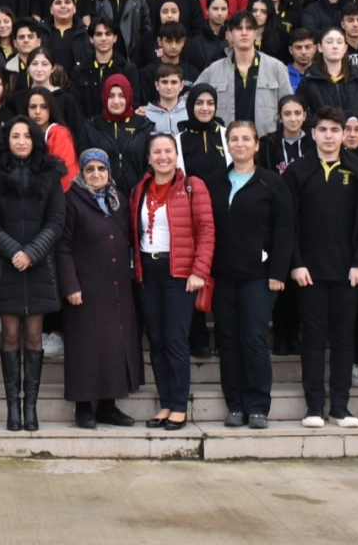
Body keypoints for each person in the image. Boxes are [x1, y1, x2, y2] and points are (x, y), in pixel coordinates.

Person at [0, 116, 67, 432]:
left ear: (35, 139)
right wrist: (15, 251)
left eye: (27, 136)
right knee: (11, 334)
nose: (22, 141)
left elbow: (56, 220)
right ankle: (13, 407)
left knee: (34, 335)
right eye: (15, 136)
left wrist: (32, 253)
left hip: (39, 266)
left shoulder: (50, 173)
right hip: (6, 266)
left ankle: (31, 408)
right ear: (6, 140)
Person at [285, 107, 358, 430]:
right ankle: (314, 406)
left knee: (343, 339)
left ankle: (340, 406)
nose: (329, 136)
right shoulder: (297, 171)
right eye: (323, 130)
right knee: (312, 338)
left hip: (347, 273)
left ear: (344, 134)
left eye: (335, 130)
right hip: (308, 273)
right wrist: (296, 263)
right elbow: (287, 223)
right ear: (313, 133)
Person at [208, 121, 293, 429]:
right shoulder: (215, 182)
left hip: (259, 275)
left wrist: (278, 271)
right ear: (227, 145)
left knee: (254, 338)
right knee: (228, 340)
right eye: (234, 139)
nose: (240, 144)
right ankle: (235, 405)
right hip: (222, 276)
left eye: (246, 138)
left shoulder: (272, 182)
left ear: (257, 145)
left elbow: (284, 230)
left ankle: (257, 406)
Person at [130, 132, 215, 432]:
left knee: (176, 340)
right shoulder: (140, 188)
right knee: (156, 341)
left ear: (177, 155)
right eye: (156, 152)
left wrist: (199, 270)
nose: (162, 156)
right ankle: (165, 403)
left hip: (179, 273)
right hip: (147, 273)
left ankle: (179, 406)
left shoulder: (192, 186)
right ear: (149, 157)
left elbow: (206, 230)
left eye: (168, 151)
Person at [55, 149, 143, 430]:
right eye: (89, 169)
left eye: (101, 169)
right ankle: (83, 408)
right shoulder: (71, 200)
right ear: (81, 172)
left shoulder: (119, 201)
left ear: (109, 172)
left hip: (117, 285)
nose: (96, 174)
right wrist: (70, 285)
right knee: (85, 347)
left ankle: (108, 407)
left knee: (114, 345)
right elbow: (62, 247)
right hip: (84, 287)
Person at [196, 12, 291, 133]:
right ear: (229, 34)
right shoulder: (214, 70)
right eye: (239, 28)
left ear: (255, 33)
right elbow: (189, 99)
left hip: (265, 141)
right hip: (225, 141)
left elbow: (289, 107)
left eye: (249, 28)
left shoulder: (276, 67)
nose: (244, 33)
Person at [80, 72, 150, 192]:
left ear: (128, 96)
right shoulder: (91, 127)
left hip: (138, 195)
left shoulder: (144, 125)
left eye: (122, 95)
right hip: (99, 196)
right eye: (111, 96)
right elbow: (84, 165)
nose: (116, 101)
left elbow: (150, 166)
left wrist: (139, 191)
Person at [297, 26, 358, 126]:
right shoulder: (309, 80)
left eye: (339, 42)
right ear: (319, 47)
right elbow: (302, 114)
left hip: (355, 134)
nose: (335, 46)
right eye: (329, 42)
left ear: (345, 48)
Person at [70, 17, 141, 122]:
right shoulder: (79, 71)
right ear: (91, 39)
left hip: (119, 128)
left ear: (115, 38)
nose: (103, 38)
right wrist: (88, 128)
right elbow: (76, 108)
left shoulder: (128, 69)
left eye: (108, 34)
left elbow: (133, 104)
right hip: (88, 128)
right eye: (98, 34)